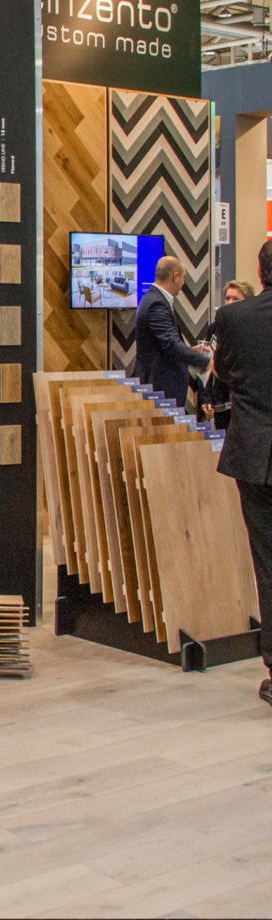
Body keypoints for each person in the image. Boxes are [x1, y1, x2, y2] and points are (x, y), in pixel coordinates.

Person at [212, 241, 272, 709]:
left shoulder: (233, 318)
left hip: (256, 454)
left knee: (267, 564)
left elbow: (226, 374)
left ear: (260, 271)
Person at [133, 254, 211, 406]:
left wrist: (190, 351)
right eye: (183, 277)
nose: (183, 283)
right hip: (161, 387)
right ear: (175, 277)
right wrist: (207, 363)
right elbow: (171, 344)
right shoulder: (157, 304)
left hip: (161, 384)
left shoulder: (154, 299)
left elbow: (164, 344)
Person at [198, 280, 256, 430]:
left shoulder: (255, 328)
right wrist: (206, 397)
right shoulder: (215, 328)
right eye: (227, 298)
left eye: (236, 299)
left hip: (247, 400)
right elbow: (206, 364)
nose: (230, 303)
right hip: (221, 398)